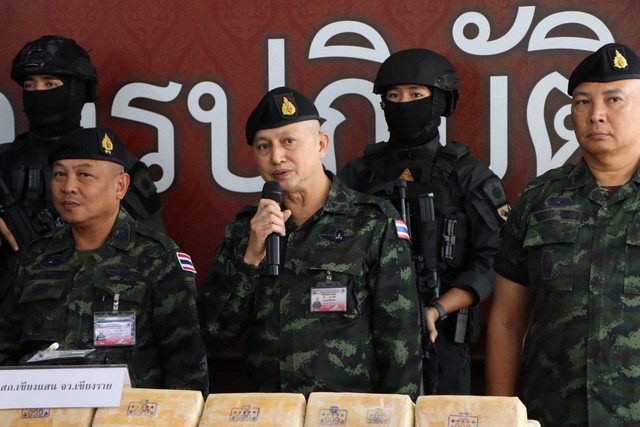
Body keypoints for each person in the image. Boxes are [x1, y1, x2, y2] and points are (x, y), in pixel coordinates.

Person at [200, 86, 421, 398]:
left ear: (321, 144)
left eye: (288, 141)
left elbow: (401, 341)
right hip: (271, 412)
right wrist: (249, 260)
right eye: (264, 146)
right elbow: (212, 332)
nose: (277, 157)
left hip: (348, 413)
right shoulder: (246, 229)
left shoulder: (372, 222)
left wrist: (396, 413)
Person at [338, 48, 509, 395]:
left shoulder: (469, 176)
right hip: (362, 335)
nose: (404, 104)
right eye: (394, 96)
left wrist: (437, 309)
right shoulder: (359, 174)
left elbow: (494, 260)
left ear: (441, 101)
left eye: (416, 95)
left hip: (442, 335)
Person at [485, 42, 640, 425]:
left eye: (614, 100)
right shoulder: (540, 198)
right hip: (553, 414)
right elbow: (507, 322)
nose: (596, 114)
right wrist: (500, 415)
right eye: (582, 102)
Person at [0, 127, 208, 396]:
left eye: (84, 175)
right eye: (60, 174)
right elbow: (5, 350)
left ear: (120, 186)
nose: (68, 187)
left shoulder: (158, 259)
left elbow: (187, 368)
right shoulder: (34, 258)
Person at [0, 35, 164, 301]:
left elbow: (154, 257)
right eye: (29, 85)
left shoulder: (119, 166)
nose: (38, 93)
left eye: (50, 84)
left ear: (76, 92)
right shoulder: (4, 161)